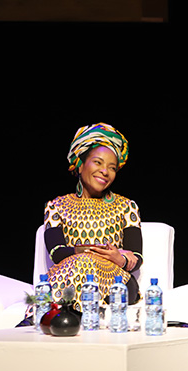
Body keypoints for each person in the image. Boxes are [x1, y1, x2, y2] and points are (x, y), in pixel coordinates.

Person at [42, 122, 143, 309]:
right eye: (98, 162)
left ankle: (60, 317)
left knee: (84, 263)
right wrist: (88, 252)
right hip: (69, 274)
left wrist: (121, 259)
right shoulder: (56, 206)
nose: (105, 171)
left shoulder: (127, 206)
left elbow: (136, 256)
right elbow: (57, 253)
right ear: (79, 165)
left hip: (117, 282)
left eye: (112, 168)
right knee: (83, 263)